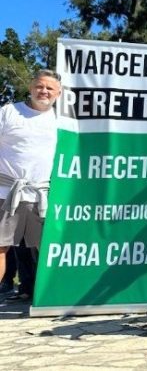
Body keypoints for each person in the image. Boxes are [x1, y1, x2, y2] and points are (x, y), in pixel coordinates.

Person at [0, 69, 61, 299]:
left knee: (47, 250)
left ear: (59, 92)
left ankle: (49, 298)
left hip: (44, 195)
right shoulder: (9, 112)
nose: (43, 91)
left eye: (49, 88)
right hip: (6, 192)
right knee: (1, 249)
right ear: (30, 86)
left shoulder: (62, 121)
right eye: (39, 86)